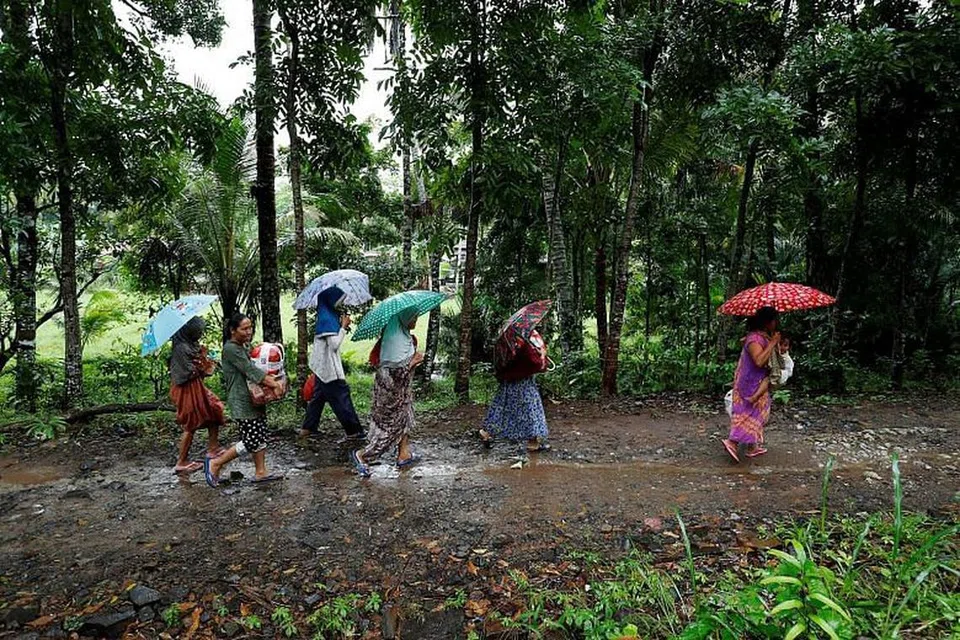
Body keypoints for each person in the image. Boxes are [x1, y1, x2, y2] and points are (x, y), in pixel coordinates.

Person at [204, 313, 285, 487]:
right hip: (242, 401)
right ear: (233, 330)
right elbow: (251, 371)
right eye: (244, 328)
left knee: (260, 435)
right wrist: (274, 384)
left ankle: (261, 471)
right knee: (251, 440)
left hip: (254, 399)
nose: (249, 332)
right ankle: (216, 463)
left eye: (250, 328)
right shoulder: (231, 349)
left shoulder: (242, 347)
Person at [350, 309, 422, 477]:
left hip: (401, 393)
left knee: (405, 418)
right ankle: (362, 455)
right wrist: (413, 362)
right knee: (390, 427)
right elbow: (395, 373)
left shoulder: (402, 335)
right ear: (404, 317)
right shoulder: (395, 340)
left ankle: (404, 453)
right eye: (413, 317)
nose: (416, 321)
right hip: (391, 395)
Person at [299, 287, 365, 441]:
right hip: (329, 368)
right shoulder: (327, 319)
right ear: (330, 299)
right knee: (342, 396)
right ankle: (354, 431)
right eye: (338, 300)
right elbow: (334, 345)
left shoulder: (326, 315)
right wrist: (342, 327)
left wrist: (341, 326)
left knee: (318, 398)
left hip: (322, 366)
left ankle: (307, 429)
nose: (340, 303)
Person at [479, 329, 551, 459]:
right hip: (523, 383)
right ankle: (532, 441)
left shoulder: (507, 341)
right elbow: (534, 363)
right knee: (530, 411)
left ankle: (486, 432)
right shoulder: (525, 341)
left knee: (501, 407)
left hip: (508, 382)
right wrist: (542, 355)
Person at [723, 306, 780, 462]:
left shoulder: (760, 337)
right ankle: (732, 441)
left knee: (757, 411)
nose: (776, 323)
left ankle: (751, 447)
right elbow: (759, 360)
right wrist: (773, 342)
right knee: (748, 413)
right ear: (768, 322)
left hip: (756, 382)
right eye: (774, 320)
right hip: (750, 384)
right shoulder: (755, 339)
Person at [168, 316, 225, 474]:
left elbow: (200, 367)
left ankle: (213, 448)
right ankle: (181, 461)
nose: (200, 334)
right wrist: (204, 366)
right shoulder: (180, 348)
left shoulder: (191, 345)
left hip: (196, 386)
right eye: (197, 331)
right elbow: (187, 372)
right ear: (189, 331)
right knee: (191, 423)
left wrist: (204, 359)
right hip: (186, 389)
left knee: (214, 411)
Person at [747, 337, 793, 405]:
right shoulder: (775, 352)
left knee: (767, 380)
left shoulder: (785, 357)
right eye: (780, 345)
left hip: (782, 375)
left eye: (785, 345)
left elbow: (788, 370)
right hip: (776, 372)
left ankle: (755, 397)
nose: (782, 347)